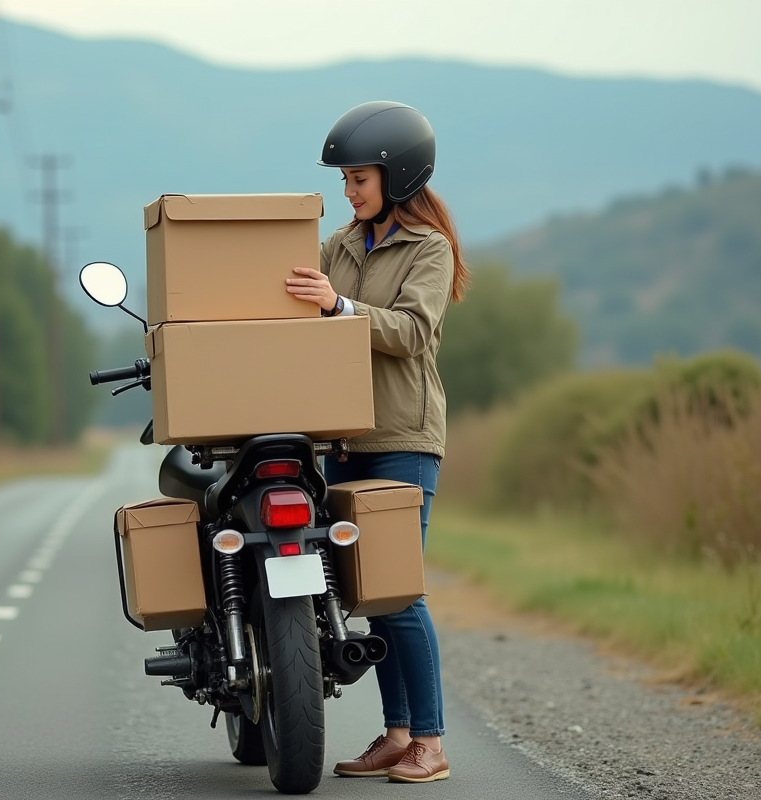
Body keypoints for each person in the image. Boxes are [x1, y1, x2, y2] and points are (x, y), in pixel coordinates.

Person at [285, 100, 470, 784]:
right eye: (344, 180)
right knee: (366, 591)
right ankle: (396, 735)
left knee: (399, 592)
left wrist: (337, 307)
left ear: (397, 177)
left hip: (402, 438)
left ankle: (430, 742)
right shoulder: (338, 246)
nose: (347, 191)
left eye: (357, 179)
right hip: (340, 440)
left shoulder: (429, 248)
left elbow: (413, 332)